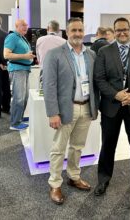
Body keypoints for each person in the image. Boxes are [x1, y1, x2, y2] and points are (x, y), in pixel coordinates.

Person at [94, 17, 130, 196]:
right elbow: (99, 78)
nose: (122, 32)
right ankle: (103, 179)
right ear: (113, 31)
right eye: (118, 30)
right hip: (111, 107)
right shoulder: (104, 52)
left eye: (125, 29)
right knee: (108, 144)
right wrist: (116, 94)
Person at [43, 17, 98, 205]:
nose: (77, 34)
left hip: (86, 107)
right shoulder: (55, 54)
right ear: (67, 32)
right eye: (73, 30)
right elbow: (49, 85)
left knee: (77, 147)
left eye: (80, 30)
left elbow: (94, 83)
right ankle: (55, 183)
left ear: (84, 32)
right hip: (66, 108)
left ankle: (74, 176)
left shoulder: (91, 55)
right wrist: (53, 112)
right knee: (58, 148)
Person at [4, 19, 35, 130]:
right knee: (19, 97)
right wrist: (25, 57)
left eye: (26, 25)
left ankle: (19, 118)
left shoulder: (21, 37)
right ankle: (15, 123)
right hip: (17, 70)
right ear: (16, 26)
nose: (26, 27)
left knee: (24, 96)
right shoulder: (12, 37)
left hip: (24, 70)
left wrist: (29, 56)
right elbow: (6, 54)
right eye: (23, 25)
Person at [0, 15, 11, 118]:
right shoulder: (7, 35)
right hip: (6, 65)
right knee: (6, 87)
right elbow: (10, 50)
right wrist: (6, 63)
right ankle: (6, 107)